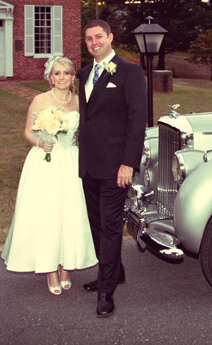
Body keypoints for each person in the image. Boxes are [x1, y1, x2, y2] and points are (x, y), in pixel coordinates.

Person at [1, 56, 97, 295]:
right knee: (49, 213)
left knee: (69, 213)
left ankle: (66, 267)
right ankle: (50, 270)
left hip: (70, 161)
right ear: (50, 77)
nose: (62, 77)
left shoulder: (79, 102)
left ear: (73, 77)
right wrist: (40, 141)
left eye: (66, 73)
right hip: (45, 161)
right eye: (57, 73)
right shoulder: (40, 100)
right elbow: (27, 131)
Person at [78, 19, 147, 317]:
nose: (94, 43)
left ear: (110, 37)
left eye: (98, 37)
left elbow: (137, 121)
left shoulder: (130, 72)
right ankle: (114, 271)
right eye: (89, 39)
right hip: (89, 165)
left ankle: (107, 291)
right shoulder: (83, 74)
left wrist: (128, 163)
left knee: (109, 227)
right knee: (96, 224)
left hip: (116, 166)